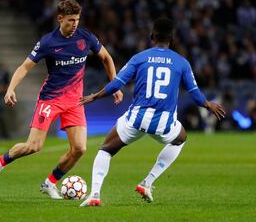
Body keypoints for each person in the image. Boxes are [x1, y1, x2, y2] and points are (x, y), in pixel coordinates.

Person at [0, 0, 123, 199]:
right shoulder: (48, 42)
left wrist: (115, 85)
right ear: (60, 19)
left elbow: (106, 58)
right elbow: (24, 67)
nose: (75, 24)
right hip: (51, 99)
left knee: (79, 148)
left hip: (75, 102)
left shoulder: (86, 37)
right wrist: (10, 89)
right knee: (34, 146)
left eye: (77, 19)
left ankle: (50, 183)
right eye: (70, 20)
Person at [79, 18, 225, 206]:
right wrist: (208, 105)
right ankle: (147, 182)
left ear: (152, 36)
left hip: (137, 120)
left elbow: (116, 84)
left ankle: (95, 194)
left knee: (106, 150)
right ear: (172, 39)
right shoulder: (182, 63)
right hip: (163, 124)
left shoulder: (140, 58)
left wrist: (95, 96)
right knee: (180, 138)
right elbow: (195, 95)